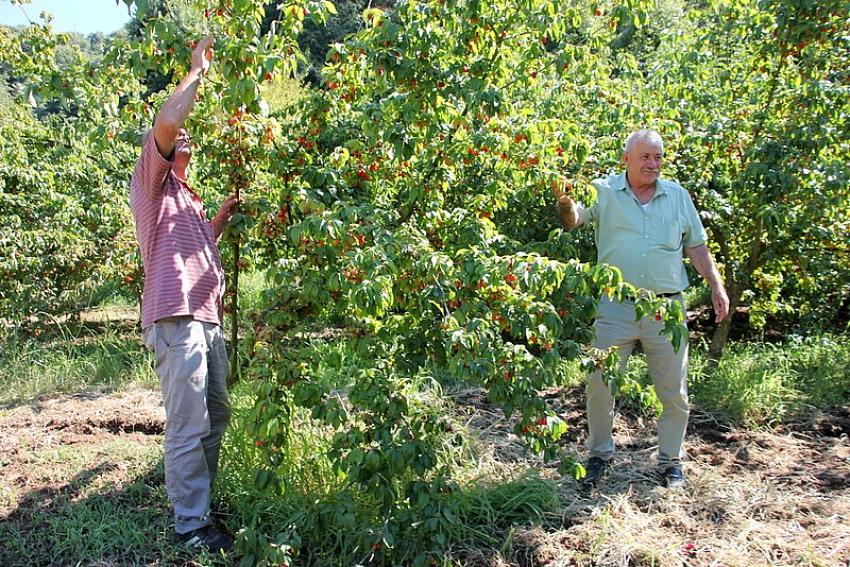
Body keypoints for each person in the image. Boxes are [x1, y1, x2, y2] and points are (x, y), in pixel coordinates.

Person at [555, 129, 729, 489]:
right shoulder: (603, 191)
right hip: (615, 306)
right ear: (627, 160)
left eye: (658, 157)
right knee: (600, 384)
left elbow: (696, 246)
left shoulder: (678, 196)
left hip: (667, 310)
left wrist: (716, 285)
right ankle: (599, 455)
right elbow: (574, 220)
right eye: (646, 157)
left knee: (673, 390)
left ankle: (670, 462)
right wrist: (564, 202)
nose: (653, 164)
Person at [130, 36, 238, 552]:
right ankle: (191, 524)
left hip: (206, 319)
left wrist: (222, 216)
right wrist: (198, 71)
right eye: (180, 138)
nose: (186, 136)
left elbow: (202, 250)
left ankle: (198, 499)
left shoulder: (188, 200)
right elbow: (170, 120)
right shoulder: (153, 180)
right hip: (177, 319)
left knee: (215, 415)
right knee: (189, 422)